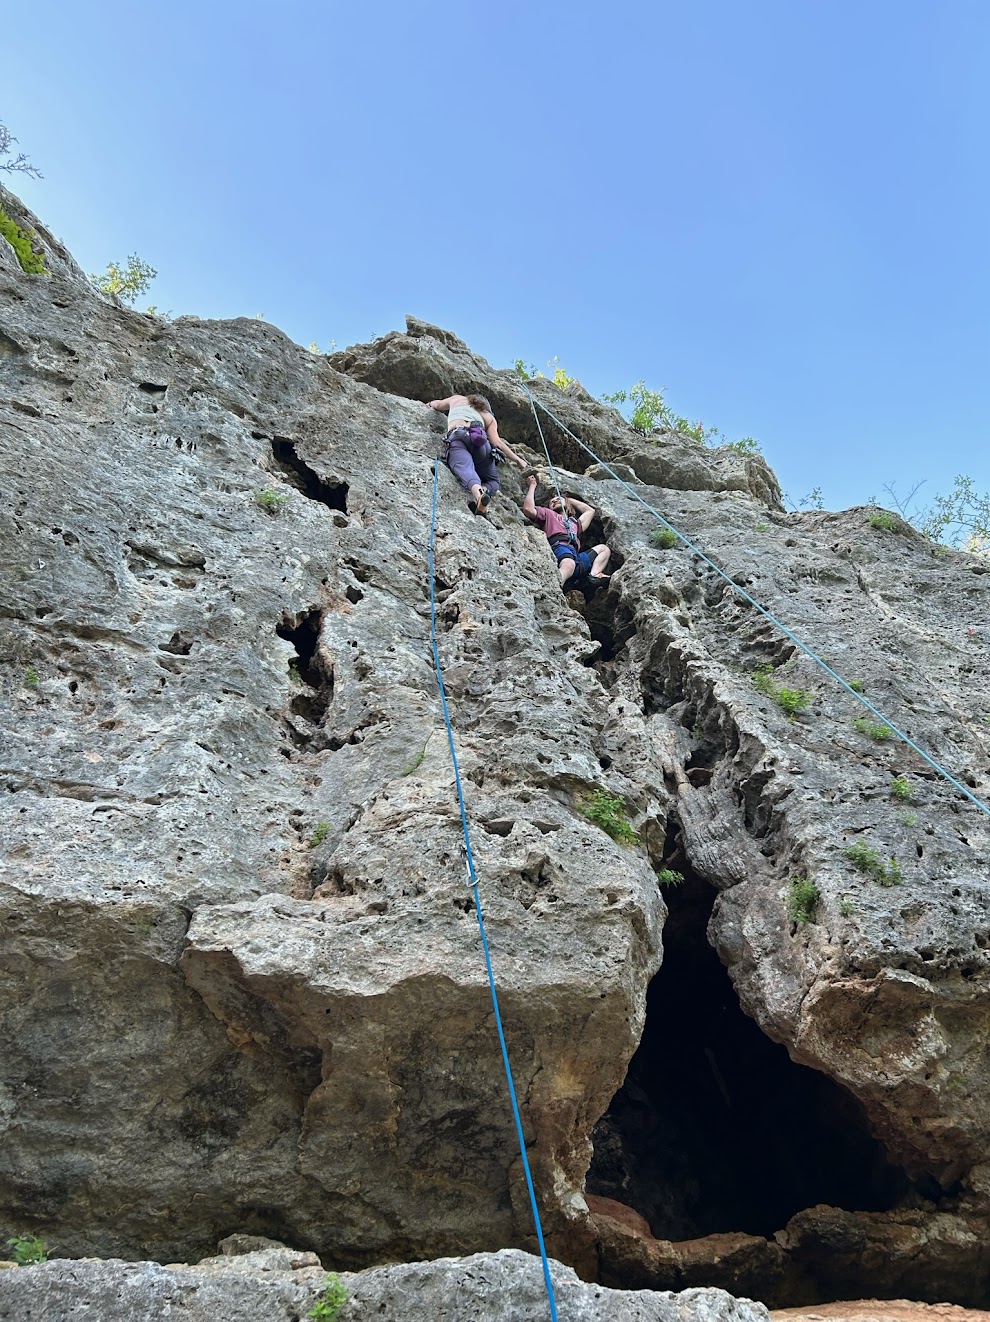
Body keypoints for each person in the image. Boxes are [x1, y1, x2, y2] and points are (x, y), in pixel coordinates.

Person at [428, 393, 526, 515]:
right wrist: (517, 460)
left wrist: (430, 404)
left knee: (464, 467)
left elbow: (437, 404)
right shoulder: (488, 416)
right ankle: (484, 491)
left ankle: (478, 493)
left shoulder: (457, 399)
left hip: (458, 436)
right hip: (481, 442)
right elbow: (497, 442)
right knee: (493, 481)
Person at [523, 476, 611, 589]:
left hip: (575, 556)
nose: (554, 500)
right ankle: (555, 587)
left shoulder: (575, 523)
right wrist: (532, 485)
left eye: (557, 499)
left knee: (604, 549)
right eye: (552, 502)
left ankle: (594, 575)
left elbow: (590, 511)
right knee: (569, 564)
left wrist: (567, 500)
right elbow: (528, 509)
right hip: (560, 547)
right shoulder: (548, 514)